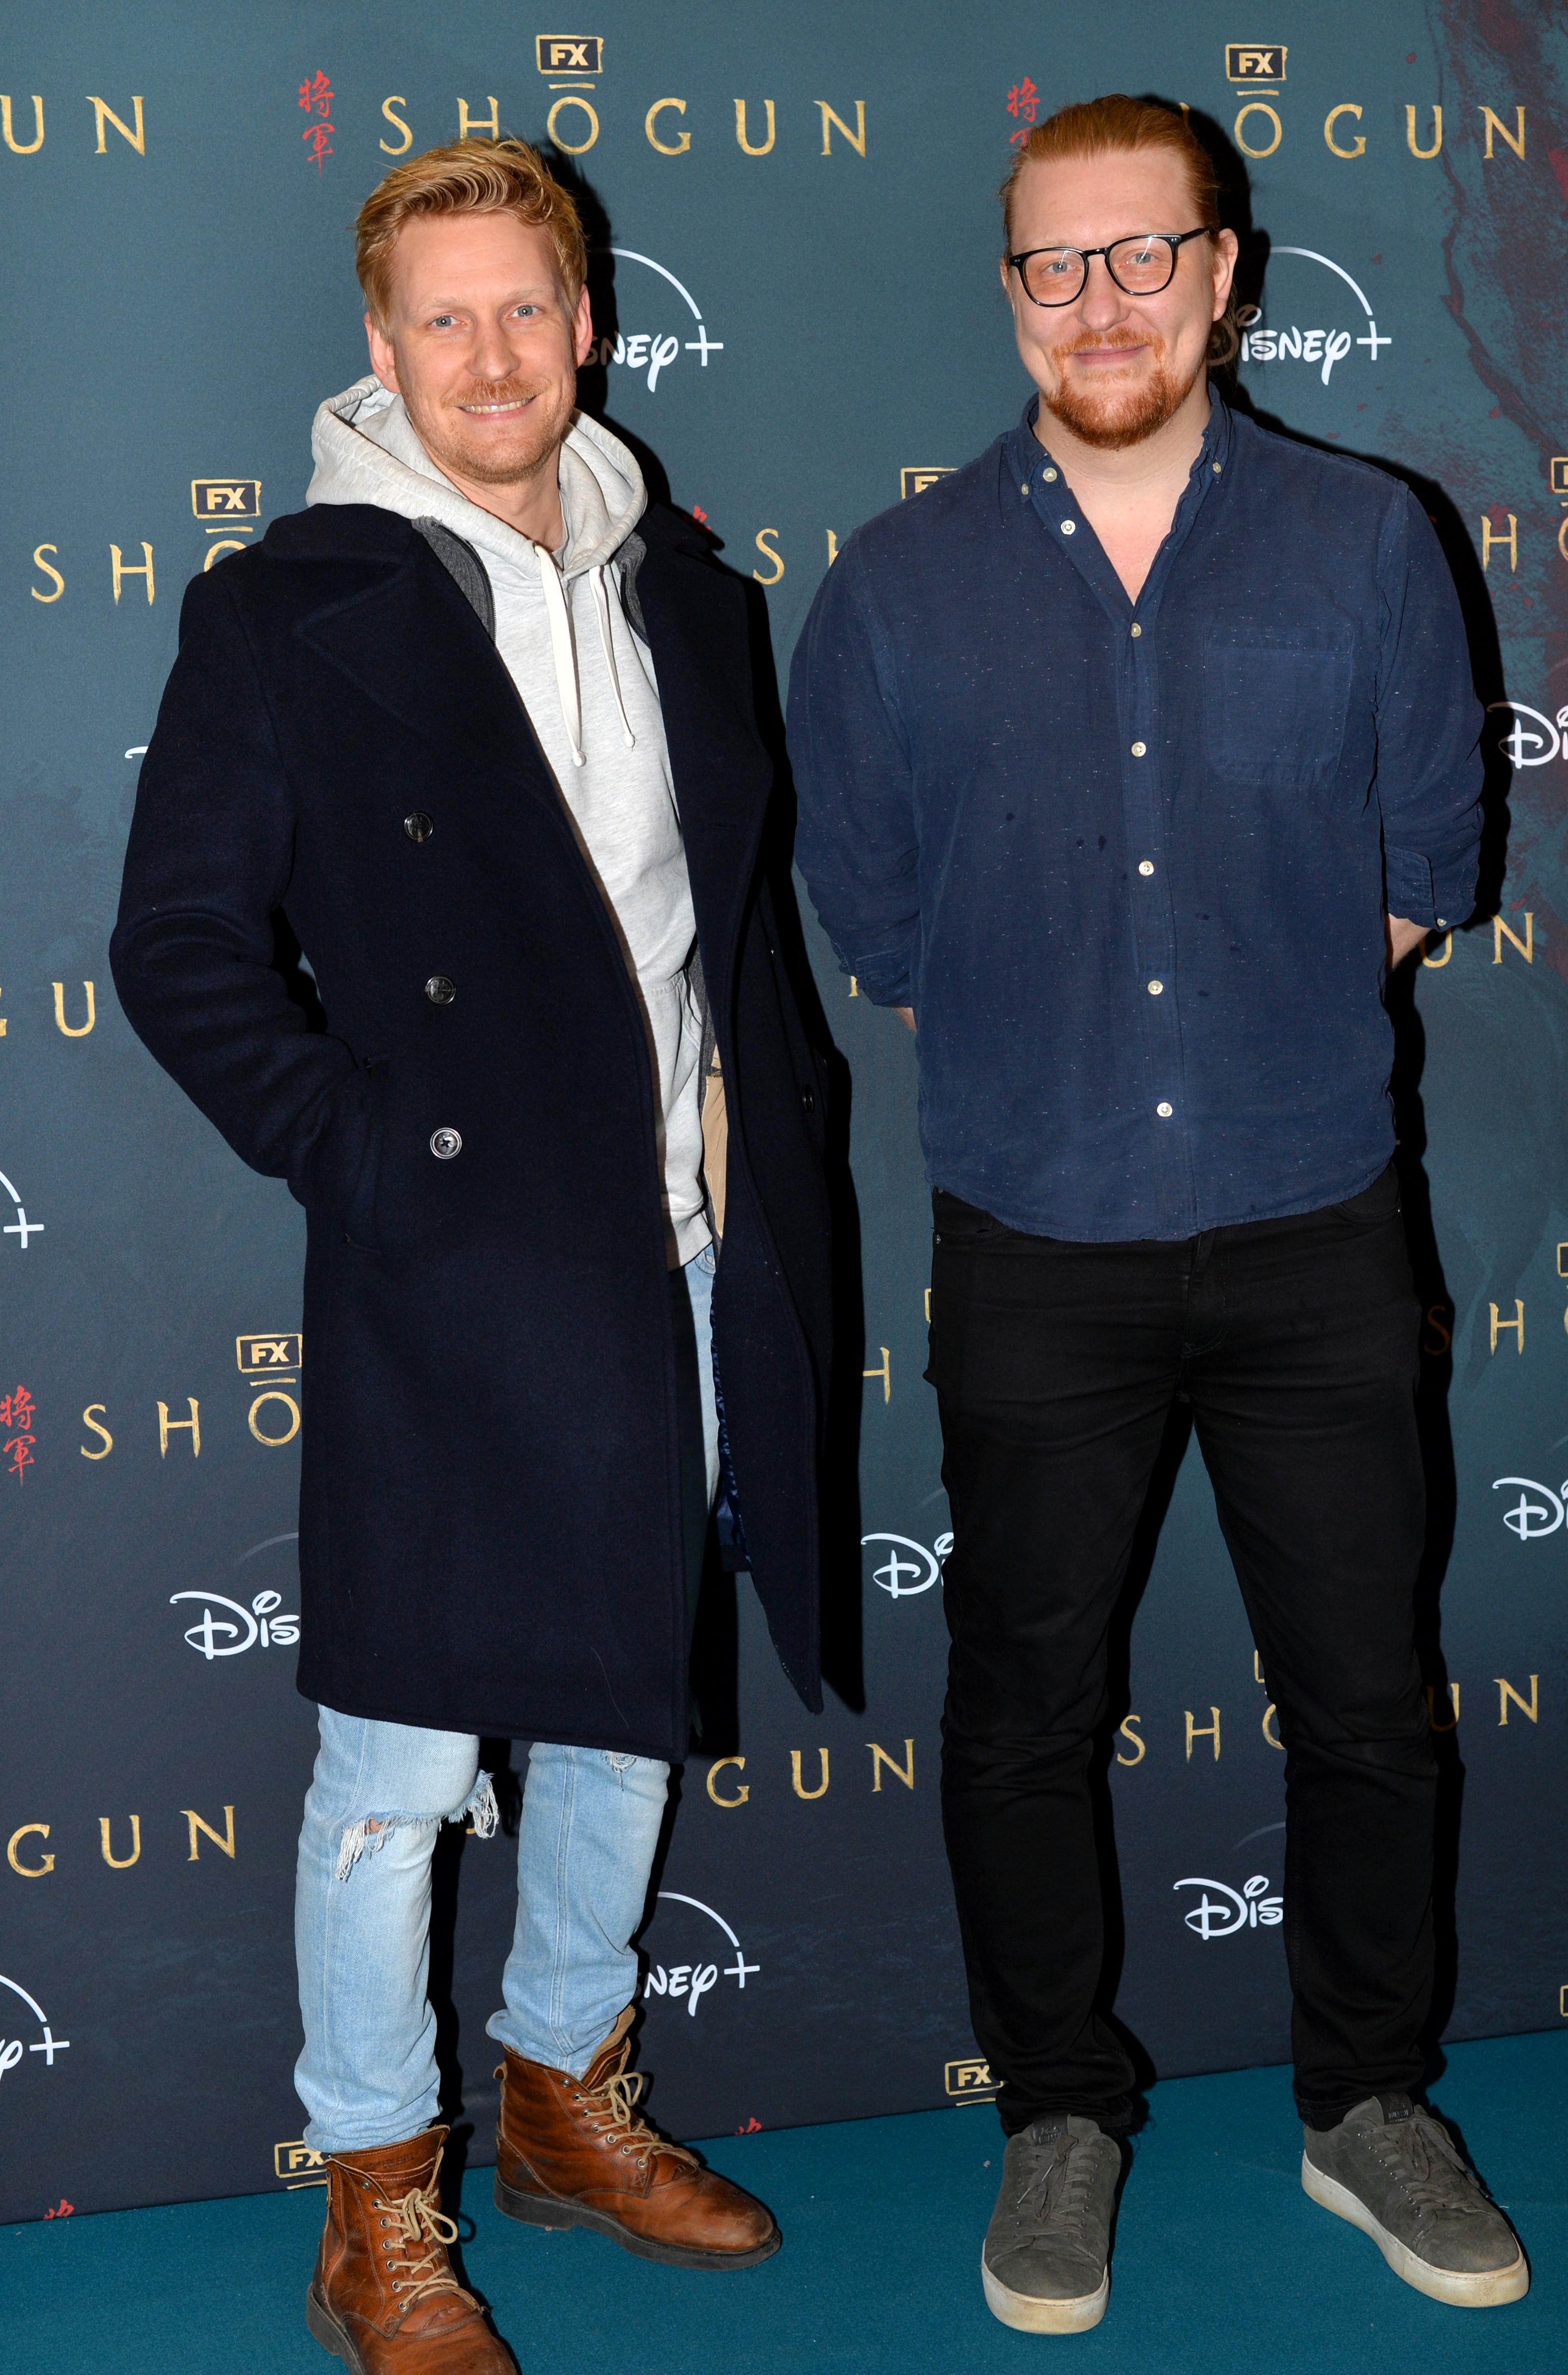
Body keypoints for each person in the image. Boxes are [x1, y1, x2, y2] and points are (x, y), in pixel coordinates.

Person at [790, 92, 1525, 2333]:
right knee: (1022, 1705)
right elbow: (878, 921)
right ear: (1008, 290)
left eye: (1142, 255)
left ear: (1224, 273)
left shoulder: (1367, 542)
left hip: (1315, 1227)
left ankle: (1365, 2102)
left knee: (1368, 1702)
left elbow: (1424, 864)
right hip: (1034, 1237)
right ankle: (1055, 2114)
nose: (1097, 303)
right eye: (1054, 262)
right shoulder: (895, 585)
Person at [113, 138, 834, 2374]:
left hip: (681, 1243)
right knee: (404, 1768)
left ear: (589, 322)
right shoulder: (285, 607)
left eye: (526, 306)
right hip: (448, 1258)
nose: (492, 354)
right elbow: (178, 947)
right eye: (444, 316)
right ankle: (376, 2202)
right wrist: (373, 1159)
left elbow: (724, 930)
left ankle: (561, 2102)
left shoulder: (689, 592)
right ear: (381, 345)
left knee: (621, 1711)